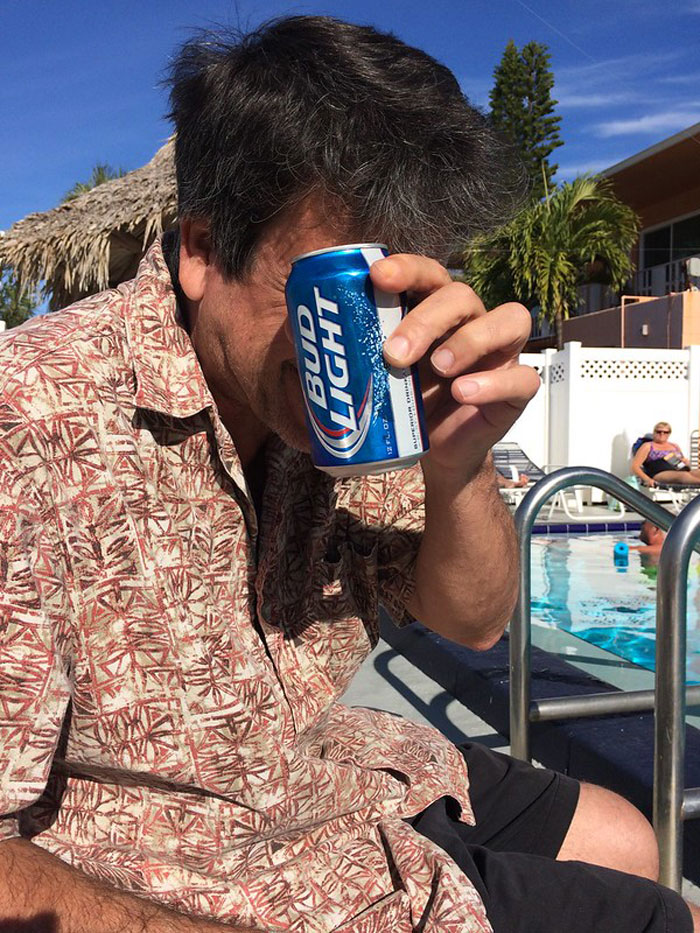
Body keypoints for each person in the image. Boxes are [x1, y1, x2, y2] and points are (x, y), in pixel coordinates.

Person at [0, 16, 697, 933]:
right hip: (190, 857)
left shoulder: (352, 422)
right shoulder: (33, 417)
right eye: (336, 296)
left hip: (334, 770)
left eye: (395, 292)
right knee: (658, 920)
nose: (373, 336)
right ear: (202, 250)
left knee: (626, 836)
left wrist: (460, 462)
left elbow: (472, 621)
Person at [632, 421, 700, 487]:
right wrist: (647, 479)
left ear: (669, 434)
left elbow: (683, 462)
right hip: (659, 472)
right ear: (654, 432)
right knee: (683, 475)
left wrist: (687, 463)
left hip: (679, 469)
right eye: (659, 432)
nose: (662, 434)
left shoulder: (675, 446)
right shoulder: (648, 446)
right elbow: (635, 466)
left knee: (697, 472)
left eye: (665, 432)